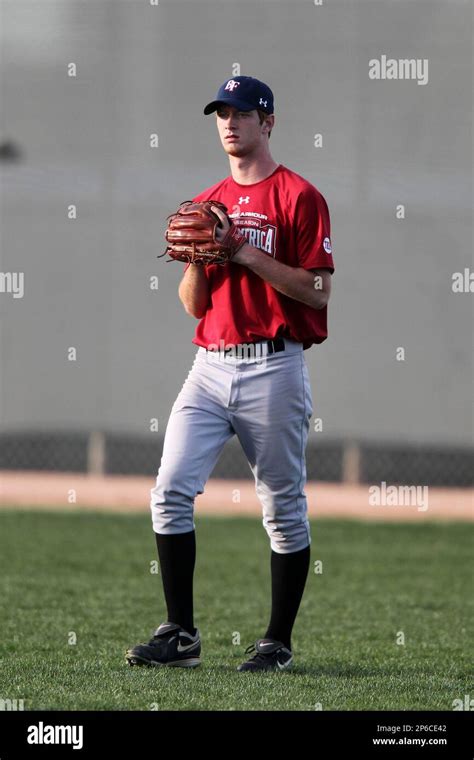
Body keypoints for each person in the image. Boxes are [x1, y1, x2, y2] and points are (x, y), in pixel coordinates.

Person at [126, 75, 335, 672]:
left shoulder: (299, 196)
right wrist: (199, 260)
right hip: (210, 366)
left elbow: (318, 292)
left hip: (275, 365)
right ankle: (181, 634)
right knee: (169, 491)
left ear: (268, 123)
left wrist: (242, 251)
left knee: (283, 508)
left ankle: (277, 641)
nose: (229, 122)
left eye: (242, 112)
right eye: (222, 112)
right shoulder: (207, 201)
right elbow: (194, 305)